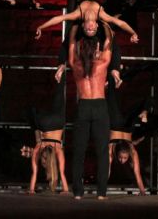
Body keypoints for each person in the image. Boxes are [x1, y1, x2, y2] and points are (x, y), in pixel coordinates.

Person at [69, 21, 113, 199]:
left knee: (79, 151)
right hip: (99, 106)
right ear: (96, 49)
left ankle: (78, 193)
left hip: (84, 106)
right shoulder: (102, 63)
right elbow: (109, 39)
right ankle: (101, 193)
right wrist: (103, 22)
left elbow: (71, 41)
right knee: (102, 151)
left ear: (80, 50)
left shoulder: (75, 64)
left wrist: (76, 26)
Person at [21, 79, 69, 194]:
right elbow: (34, 173)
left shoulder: (58, 150)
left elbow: (62, 174)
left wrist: (66, 189)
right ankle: (34, 106)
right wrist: (31, 189)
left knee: (60, 99)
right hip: (45, 123)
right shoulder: (39, 148)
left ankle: (61, 77)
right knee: (31, 114)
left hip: (58, 122)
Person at [106, 73, 150, 196]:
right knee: (145, 102)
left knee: (111, 99)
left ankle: (112, 75)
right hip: (127, 127)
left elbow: (137, 174)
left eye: (123, 158)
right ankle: (145, 110)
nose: (122, 160)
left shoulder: (113, 148)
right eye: (123, 158)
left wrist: (142, 192)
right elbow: (107, 170)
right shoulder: (130, 150)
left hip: (115, 125)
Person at [35, 0, 139, 44]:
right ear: (97, 25)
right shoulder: (101, 14)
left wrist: (41, 27)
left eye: (88, 30)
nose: (90, 28)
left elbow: (58, 18)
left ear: (83, 25)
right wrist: (133, 32)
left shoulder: (77, 14)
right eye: (92, 30)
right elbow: (121, 23)